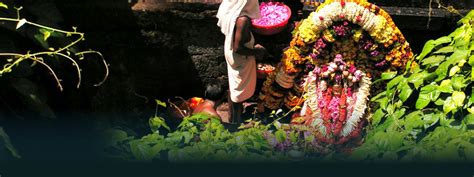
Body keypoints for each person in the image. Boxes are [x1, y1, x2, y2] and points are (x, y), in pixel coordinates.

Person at [216, 0, 266, 124]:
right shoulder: (243, 20)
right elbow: (238, 48)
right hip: (240, 58)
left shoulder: (231, 12)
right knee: (239, 92)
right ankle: (236, 122)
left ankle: (231, 116)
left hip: (230, 53)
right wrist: (257, 51)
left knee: (234, 86)